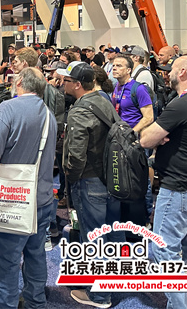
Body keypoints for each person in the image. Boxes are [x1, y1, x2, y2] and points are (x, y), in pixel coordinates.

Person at [0, 67, 57, 309]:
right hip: (43, 199)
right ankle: (36, 302)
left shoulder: (8, 109)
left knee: (7, 263)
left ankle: (8, 305)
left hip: (12, 202)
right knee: (36, 255)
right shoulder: (49, 115)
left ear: (20, 81)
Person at [140, 56, 187, 309]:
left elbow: (146, 139)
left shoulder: (181, 105)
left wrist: (156, 137)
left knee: (164, 250)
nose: (167, 73)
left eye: (171, 69)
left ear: (182, 73)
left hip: (178, 188)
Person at [59, 61, 124, 309]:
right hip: (112, 177)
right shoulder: (103, 100)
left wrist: (72, 177)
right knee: (113, 233)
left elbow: (76, 155)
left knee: (94, 236)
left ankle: (99, 295)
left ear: (77, 84)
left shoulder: (79, 111)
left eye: (66, 80)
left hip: (90, 180)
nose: (63, 83)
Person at [111, 55, 154, 133]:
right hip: (118, 133)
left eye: (119, 66)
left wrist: (131, 133)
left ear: (128, 70)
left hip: (133, 134)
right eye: (113, 65)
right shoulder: (115, 87)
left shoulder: (139, 88)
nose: (114, 68)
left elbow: (149, 117)